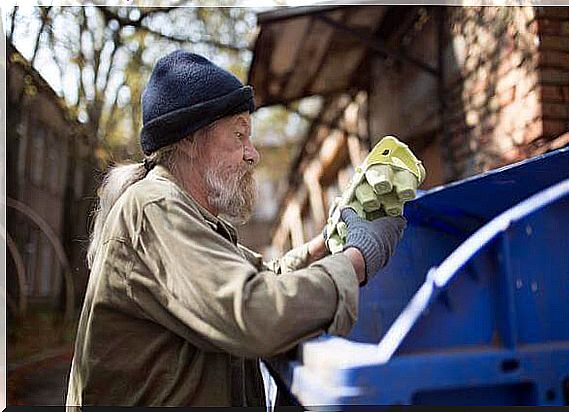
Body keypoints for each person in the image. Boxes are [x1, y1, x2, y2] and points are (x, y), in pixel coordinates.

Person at [66, 50, 406, 407]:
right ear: (190, 141)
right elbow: (256, 312)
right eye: (239, 135)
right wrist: (357, 259)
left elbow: (262, 277)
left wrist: (325, 244)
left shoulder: (190, 217)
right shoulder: (155, 206)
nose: (253, 154)